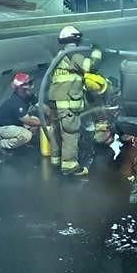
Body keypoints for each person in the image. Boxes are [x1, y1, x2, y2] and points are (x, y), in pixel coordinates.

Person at [45, 25, 108, 176]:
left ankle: (56, 159)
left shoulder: (59, 56)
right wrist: (97, 51)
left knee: (57, 132)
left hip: (54, 102)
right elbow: (92, 66)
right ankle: (70, 166)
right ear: (76, 39)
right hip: (67, 103)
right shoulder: (73, 55)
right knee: (70, 133)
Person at [0, 72, 42, 152]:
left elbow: (42, 107)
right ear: (19, 88)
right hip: (3, 127)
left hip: (16, 122)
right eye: (26, 85)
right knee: (26, 135)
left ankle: (24, 142)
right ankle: (2, 144)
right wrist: (44, 122)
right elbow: (28, 121)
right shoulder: (16, 102)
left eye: (30, 83)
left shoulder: (29, 96)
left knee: (36, 120)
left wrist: (51, 116)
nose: (29, 87)